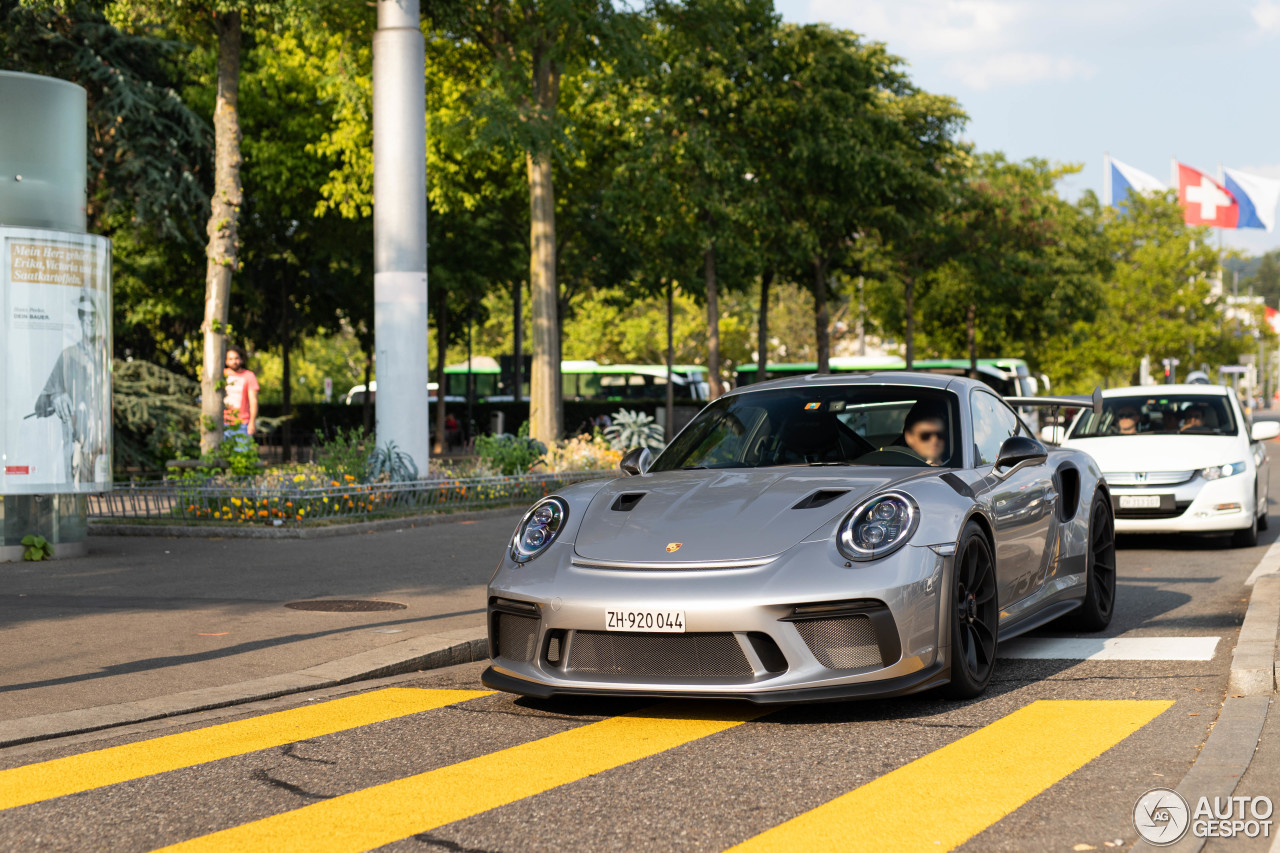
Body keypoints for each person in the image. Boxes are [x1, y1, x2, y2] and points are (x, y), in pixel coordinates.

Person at [33, 291, 108, 486]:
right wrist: (56, 396)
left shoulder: (103, 357)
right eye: (86, 315)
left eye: (94, 316)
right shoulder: (68, 356)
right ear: (81, 319)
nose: (90, 321)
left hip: (100, 446)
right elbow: (40, 405)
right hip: (76, 447)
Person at [223, 345, 259, 438]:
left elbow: (253, 401)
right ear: (226, 361)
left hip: (242, 423)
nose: (233, 361)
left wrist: (252, 422)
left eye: (236, 358)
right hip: (223, 422)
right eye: (230, 359)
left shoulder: (249, 376)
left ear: (241, 359)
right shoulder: (222, 375)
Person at [900, 401, 949, 466]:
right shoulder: (892, 463)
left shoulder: (961, 462)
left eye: (940, 435)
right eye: (925, 436)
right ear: (909, 437)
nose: (934, 440)